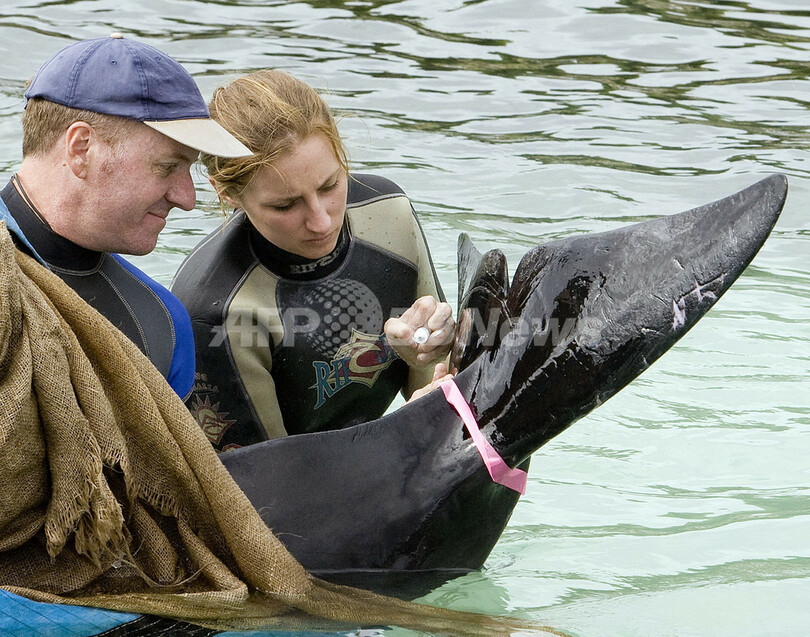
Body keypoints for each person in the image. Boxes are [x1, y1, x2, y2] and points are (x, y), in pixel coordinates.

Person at [171, 69, 455, 451]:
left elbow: (441, 390)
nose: (321, 222)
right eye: (285, 205)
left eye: (330, 185)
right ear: (227, 194)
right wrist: (403, 432)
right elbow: (264, 482)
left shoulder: (389, 214)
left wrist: (429, 352)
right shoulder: (215, 310)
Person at [0, 34, 251, 399]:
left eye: (189, 170)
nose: (187, 199)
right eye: (167, 166)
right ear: (81, 149)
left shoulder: (164, 325)